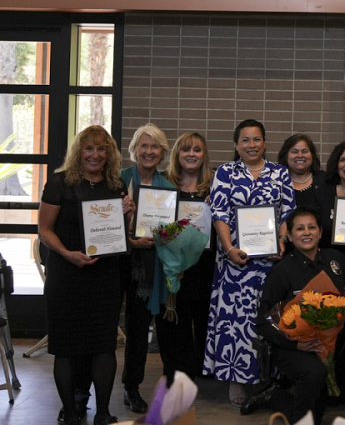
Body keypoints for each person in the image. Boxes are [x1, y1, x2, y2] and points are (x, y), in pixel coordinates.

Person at [39, 125, 134, 425]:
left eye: (101, 149)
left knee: (104, 347)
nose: (95, 155)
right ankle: (70, 412)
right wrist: (68, 254)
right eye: (89, 148)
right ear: (79, 152)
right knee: (66, 348)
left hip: (105, 278)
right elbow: (44, 230)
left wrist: (128, 214)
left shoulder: (116, 185)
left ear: (109, 154)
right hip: (66, 277)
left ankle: (103, 413)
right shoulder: (59, 183)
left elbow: (124, 236)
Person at [203, 119, 296, 407]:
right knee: (237, 322)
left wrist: (282, 241)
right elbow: (219, 213)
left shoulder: (280, 173)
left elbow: (287, 213)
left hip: (271, 263)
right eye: (245, 140)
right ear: (236, 145)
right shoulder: (225, 173)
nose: (251, 145)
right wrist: (229, 248)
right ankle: (237, 378)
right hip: (236, 263)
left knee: (270, 318)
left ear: (265, 143)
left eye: (256, 139)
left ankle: (273, 378)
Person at [246, 208, 345, 424]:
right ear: (290, 236)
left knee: (316, 410)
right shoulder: (281, 271)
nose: (307, 232)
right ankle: (282, 402)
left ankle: (276, 395)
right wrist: (296, 346)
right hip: (290, 348)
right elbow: (262, 322)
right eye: (299, 228)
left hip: (328, 344)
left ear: (321, 232)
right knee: (313, 375)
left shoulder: (336, 260)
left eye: (312, 227)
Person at [119, 123, 174, 414]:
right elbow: (103, 225)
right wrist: (129, 235)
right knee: (130, 329)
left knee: (141, 328)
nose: (149, 151)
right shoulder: (119, 179)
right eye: (144, 145)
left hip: (155, 266)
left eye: (155, 147)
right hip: (121, 263)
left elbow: (176, 232)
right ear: (134, 150)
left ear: (162, 152)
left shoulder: (168, 187)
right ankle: (124, 386)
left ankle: (134, 385)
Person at [156, 132, 215, 382]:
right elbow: (155, 225)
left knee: (204, 318)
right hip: (174, 265)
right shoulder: (163, 185)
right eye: (185, 149)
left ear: (204, 156)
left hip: (206, 264)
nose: (191, 154)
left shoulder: (215, 185)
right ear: (176, 155)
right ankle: (177, 371)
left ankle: (202, 368)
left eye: (197, 150)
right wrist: (173, 260)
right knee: (173, 321)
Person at [278, 134, 322, 212]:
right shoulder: (277, 182)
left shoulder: (325, 181)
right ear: (286, 156)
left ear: (312, 155)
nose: (300, 155)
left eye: (304, 151)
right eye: (295, 152)